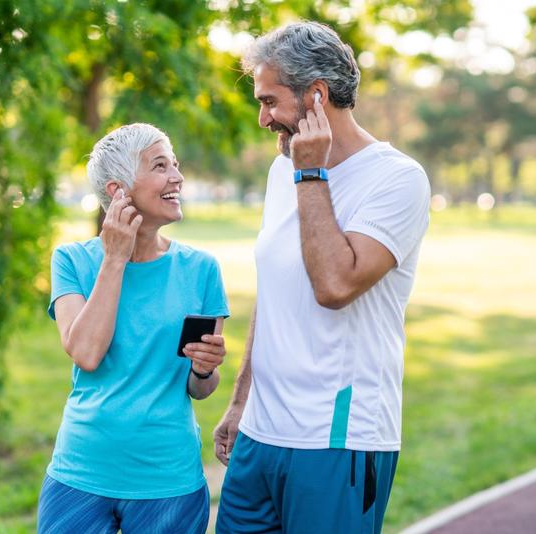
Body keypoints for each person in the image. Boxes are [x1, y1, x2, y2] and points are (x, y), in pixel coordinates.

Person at [213, 22, 431, 533]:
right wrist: (241, 400)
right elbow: (276, 292)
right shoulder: (279, 171)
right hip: (260, 438)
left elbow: (334, 284)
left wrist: (312, 173)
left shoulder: (398, 179)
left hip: (337, 441)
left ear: (316, 96)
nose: (263, 119)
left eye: (270, 102)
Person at [37, 123, 229, 534]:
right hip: (81, 473)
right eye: (160, 166)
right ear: (117, 191)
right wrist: (115, 259)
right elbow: (87, 354)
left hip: (168, 479)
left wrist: (204, 369)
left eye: (175, 165)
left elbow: (200, 388)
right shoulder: (72, 261)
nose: (177, 177)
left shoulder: (201, 270)